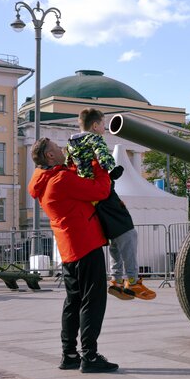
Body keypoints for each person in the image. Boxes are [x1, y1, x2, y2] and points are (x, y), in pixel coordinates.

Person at [28, 137, 118, 373]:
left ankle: (69, 354)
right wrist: (98, 163)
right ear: (50, 156)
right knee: (92, 301)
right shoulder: (61, 180)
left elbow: (72, 179)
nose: (61, 149)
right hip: (85, 244)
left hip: (69, 250)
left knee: (73, 302)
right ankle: (90, 356)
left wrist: (76, 162)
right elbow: (101, 190)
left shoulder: (44, 180)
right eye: (56, 148)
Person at [66, 107, 156, 301]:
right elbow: (104, 157)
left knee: (115, 238)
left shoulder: (71, 143)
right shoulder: (95, 138)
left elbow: (69, 166)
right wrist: (111, 170)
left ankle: (116, 280)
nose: (104, 129)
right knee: (128, 233)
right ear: (95, 125)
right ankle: (133, 281)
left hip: (90, 198)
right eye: (103, 125)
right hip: (103, 193)